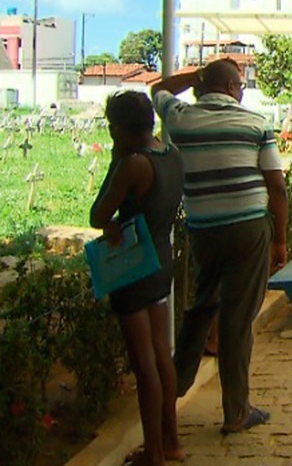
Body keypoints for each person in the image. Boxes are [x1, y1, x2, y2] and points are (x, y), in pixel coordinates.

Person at [151, 59, 288, 435]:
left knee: (201, 305)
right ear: (230, 88)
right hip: (248, 228)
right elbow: (276, 185)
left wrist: (196, 78)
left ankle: (173, 390)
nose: (243, 91)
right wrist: (279, 239)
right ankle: (236, 411)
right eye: (240, 85)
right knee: (237, 320)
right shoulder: (255, 123)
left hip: (204, 229)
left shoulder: (180, 117)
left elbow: (156, 90)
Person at [89, 92, 185, 466]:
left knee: (143, 362)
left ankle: (155, 454)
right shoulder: (171, 155)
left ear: (119, 128)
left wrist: (116, 158)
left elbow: (98, 214)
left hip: (133, 266)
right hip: (161, 259)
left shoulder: (133, 165)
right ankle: (172, 441)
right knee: (162, 356)